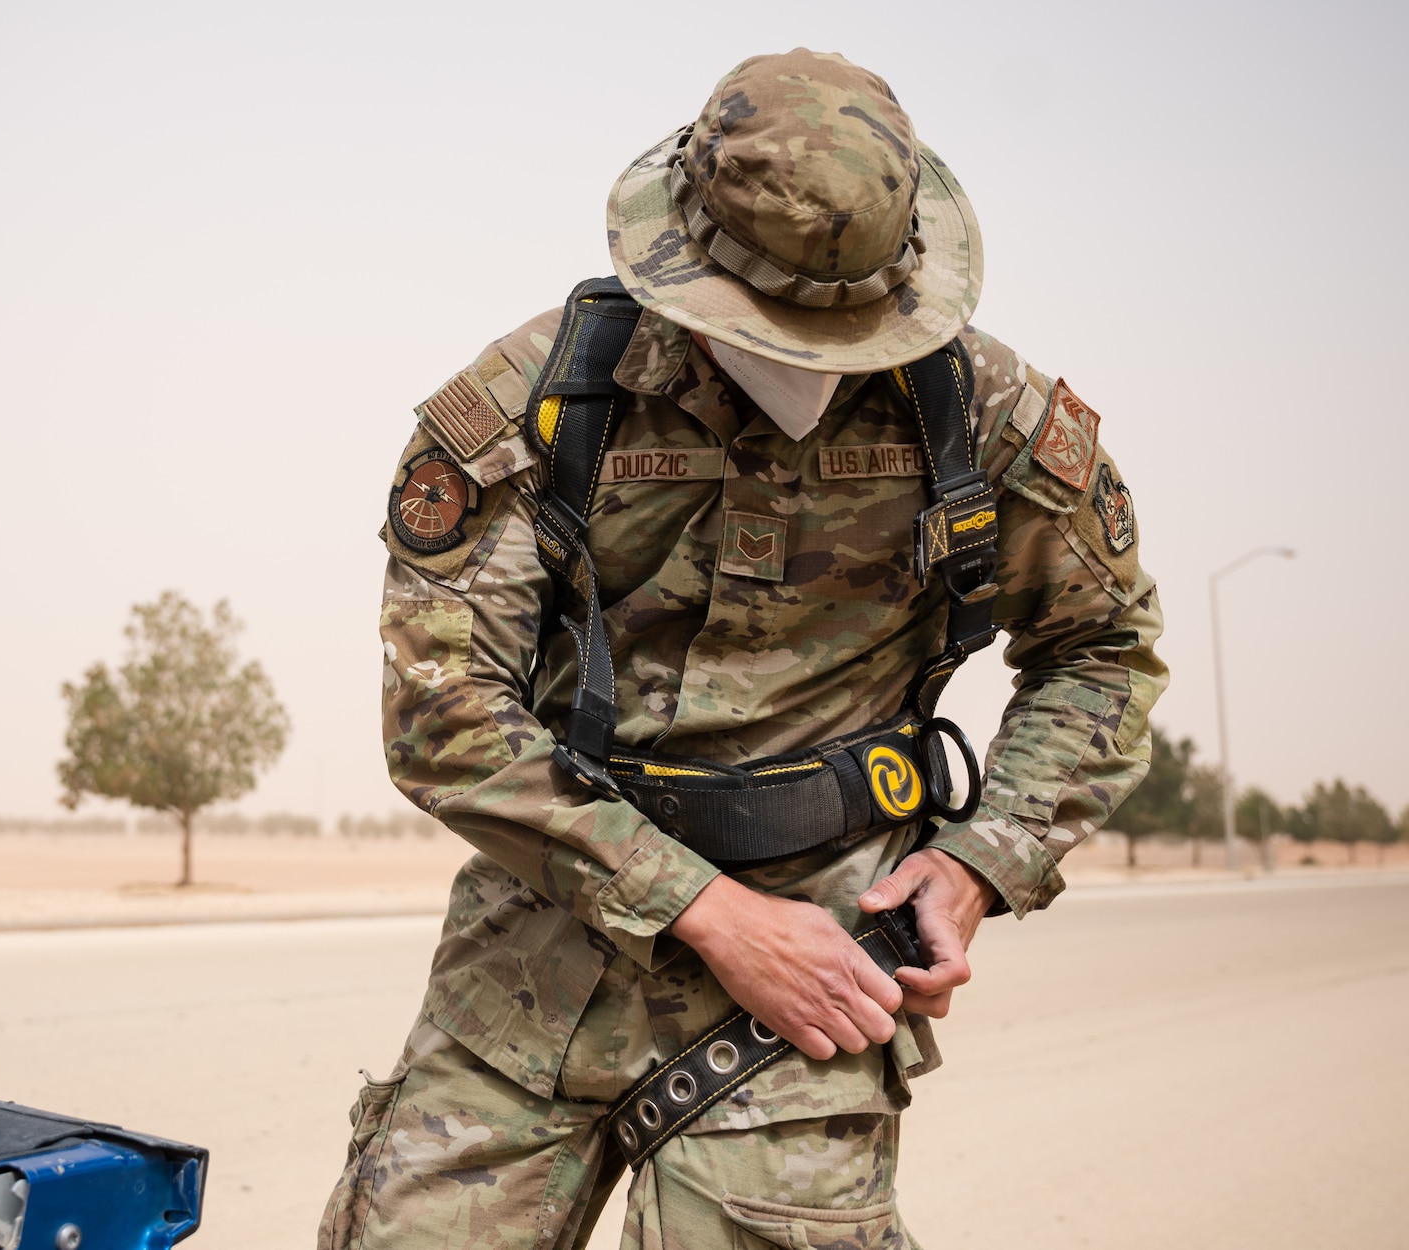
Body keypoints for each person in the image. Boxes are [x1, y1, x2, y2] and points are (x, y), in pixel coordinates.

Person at [321, 49, 1165, 1248]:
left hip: (816, 991)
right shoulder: (538, 404)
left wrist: (978, 862)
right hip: (532, 975)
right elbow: (442, 711)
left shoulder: (986, 420)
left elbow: (1102, 648)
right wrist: (707, 909)